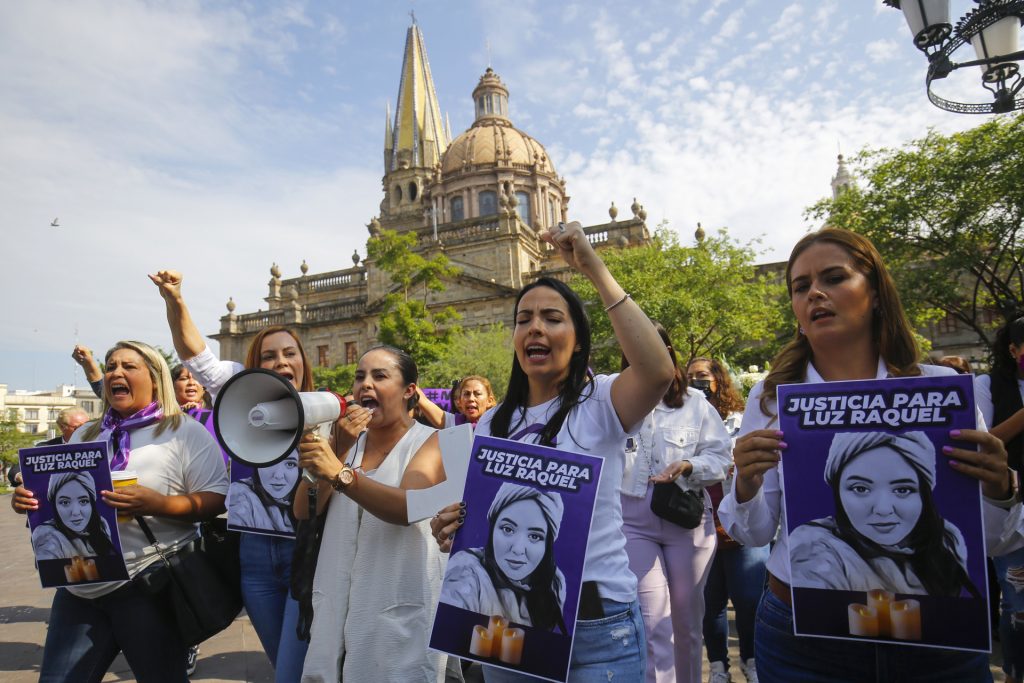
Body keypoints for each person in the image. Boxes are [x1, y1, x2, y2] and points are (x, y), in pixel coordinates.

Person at [718, 227, 1021, 683]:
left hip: (938, 641)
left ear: (876, 292)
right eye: (801, 287)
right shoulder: (771, 396)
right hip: (804, 640)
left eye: (834, 277)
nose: (816, 292)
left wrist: (1001, 489)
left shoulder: (939, 390)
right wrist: (746, 483)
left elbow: (995, 542)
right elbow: (755, 532)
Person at [430, 220, 676, 681]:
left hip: (596, 627)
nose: (535, 328)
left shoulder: (602, 401)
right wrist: (453, 525)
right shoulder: (491, 422)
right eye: (524, 320)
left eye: (552, 318)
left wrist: (593, 268)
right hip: (509, 623)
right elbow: (482, 513)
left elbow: (658, 370)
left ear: (578, 339)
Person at [12, 340, 228, 683]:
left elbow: (216, 500)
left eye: (129, 366)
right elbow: (59, 496)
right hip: (79, 584)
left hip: (147, 585)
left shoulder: (184, 432)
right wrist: (29, 499)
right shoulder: (85, 433)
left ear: (155, 378)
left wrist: (159, 504)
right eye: (111, 365)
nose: (116, 372)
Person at [151, 270, 326, 683]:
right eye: (269, 356)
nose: (281, 362)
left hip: (307, 554)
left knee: (291, 673)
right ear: (254, 366)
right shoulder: (239, 393)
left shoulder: (328, 412)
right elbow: (196, 355)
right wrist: (175, 300)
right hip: (253, 556)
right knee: (281, 662)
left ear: (304, 361)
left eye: (290, 353)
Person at [294, 345, 453, 682]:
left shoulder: (441, 441)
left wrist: (339, 473)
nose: (365, 385)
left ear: (409, 391)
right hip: (338, 609)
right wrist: (337, 447)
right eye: (359, 377)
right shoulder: (345, 443)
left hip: (402, 614)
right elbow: (302, 510)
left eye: (380, 376)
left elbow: (407, 507)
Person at [619, 326, 732, 683]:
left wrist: (689, 466)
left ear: (669, 351)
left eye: (655, 348)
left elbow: (721, 458)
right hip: (633, 521)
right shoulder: (612, 398)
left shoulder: (695, 404)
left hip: (687, 519)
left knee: (685, 622)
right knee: (653, 622)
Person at [789, 430, 977, 597]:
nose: (883, 509)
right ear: (838, 491)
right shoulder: (816, 547)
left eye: (902, 490)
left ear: (923, 493)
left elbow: (999, 543)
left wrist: (1000, 492)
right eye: (860, 488)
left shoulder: (946, 538)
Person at [690, 357, 766, 683]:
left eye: (703, 376)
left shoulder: (740, 419)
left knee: (749, 600)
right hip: (700, 527)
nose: (697, 382)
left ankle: (751, 660)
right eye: (690, 377)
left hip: (739, 525)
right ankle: (719, 666)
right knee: (710, 606)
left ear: (718, 380)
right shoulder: (682, 421)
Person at [440, 482, 568, 631]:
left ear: (547, 544)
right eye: (508, 529)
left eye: (534, 536)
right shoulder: (466, 571)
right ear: (493, 528)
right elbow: (447, 630)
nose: (518, 549)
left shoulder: (554, 582)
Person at [977, 314, 1024, 683]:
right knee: (1019, 603)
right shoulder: (988, 386)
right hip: (1012, 512)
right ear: (1014, 350)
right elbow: (983, 443)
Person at [31, 471, 115, 561]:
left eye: (83, 501)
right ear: (55, 505)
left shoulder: (101, 524)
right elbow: (49, 568)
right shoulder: (48, 535)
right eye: (65, 502)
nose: (75, 512)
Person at [10, 408, 90, 486]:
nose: (84, 430)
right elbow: (16, 470)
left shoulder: (97, 445)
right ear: (62, 427)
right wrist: (20, 476)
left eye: (88, 426)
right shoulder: (44, 448)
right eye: (78, 427)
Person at [227, 454, 300, 534]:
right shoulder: (241, 494)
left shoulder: (308, 493)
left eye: (290, 464)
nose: (278, 476)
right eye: (270, 462)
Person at [415, 375, 498, 429]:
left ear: (489, 401)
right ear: (459, 402)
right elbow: (423, 400)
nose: (471, 398)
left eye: (477, 394)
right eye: (466, 394)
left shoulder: (498, 426)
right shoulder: (453, 423)